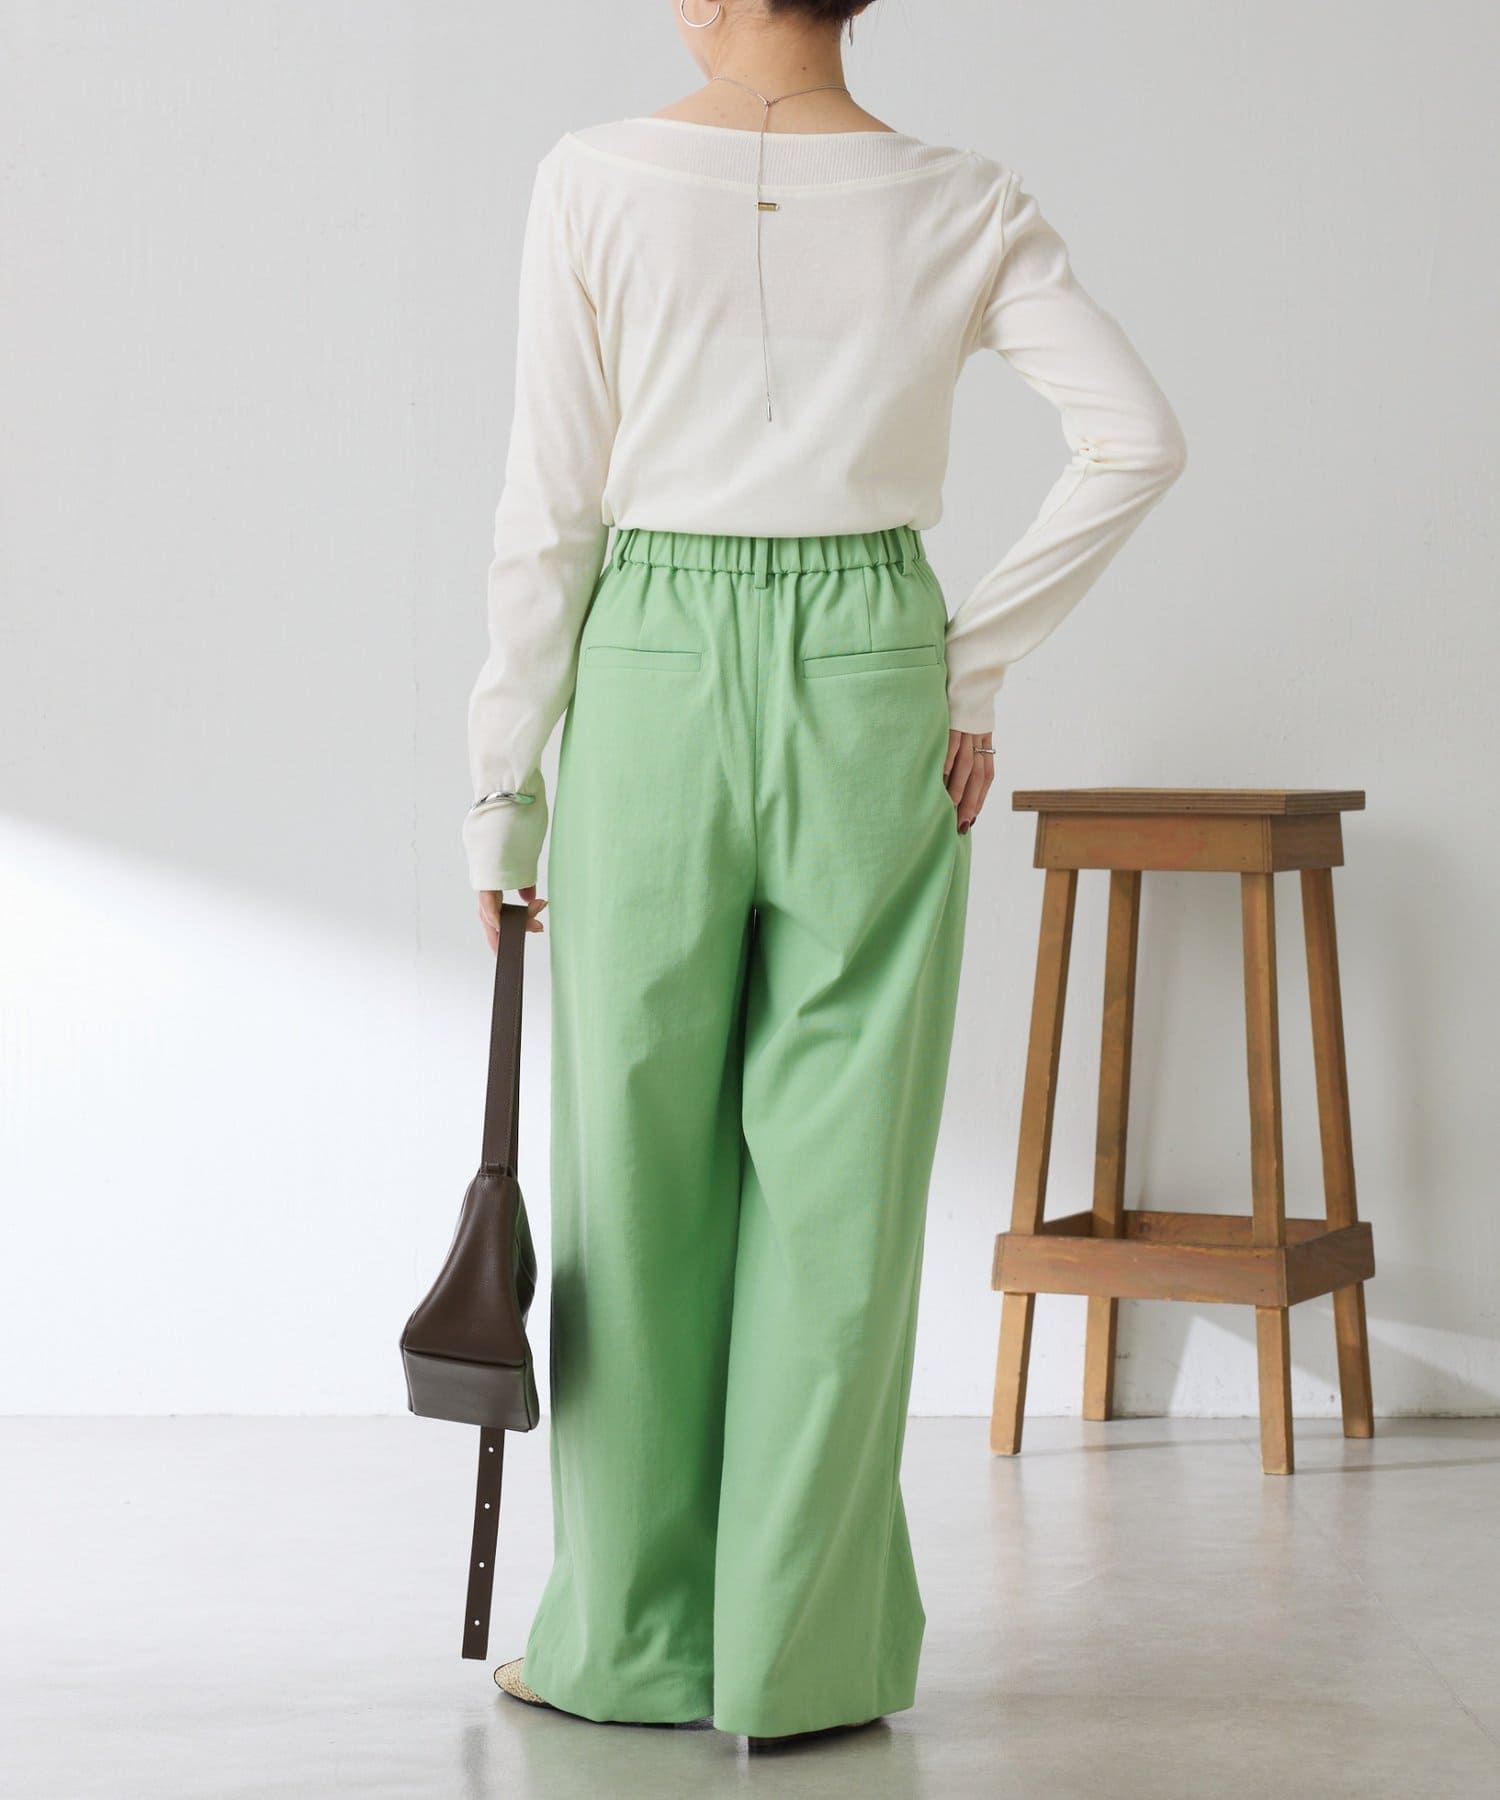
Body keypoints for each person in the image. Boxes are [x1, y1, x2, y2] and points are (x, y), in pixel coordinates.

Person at [463, 0, 1187, 1752]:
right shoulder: (961, 195)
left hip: (651, 660)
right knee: (840, 1184)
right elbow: (1136, 437)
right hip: (874, 664)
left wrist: (502, 785)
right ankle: (801, 1662)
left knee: (633, 1167)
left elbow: (550, 506)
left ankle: (629, 1645)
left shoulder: (593, 177)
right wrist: (966, 668)